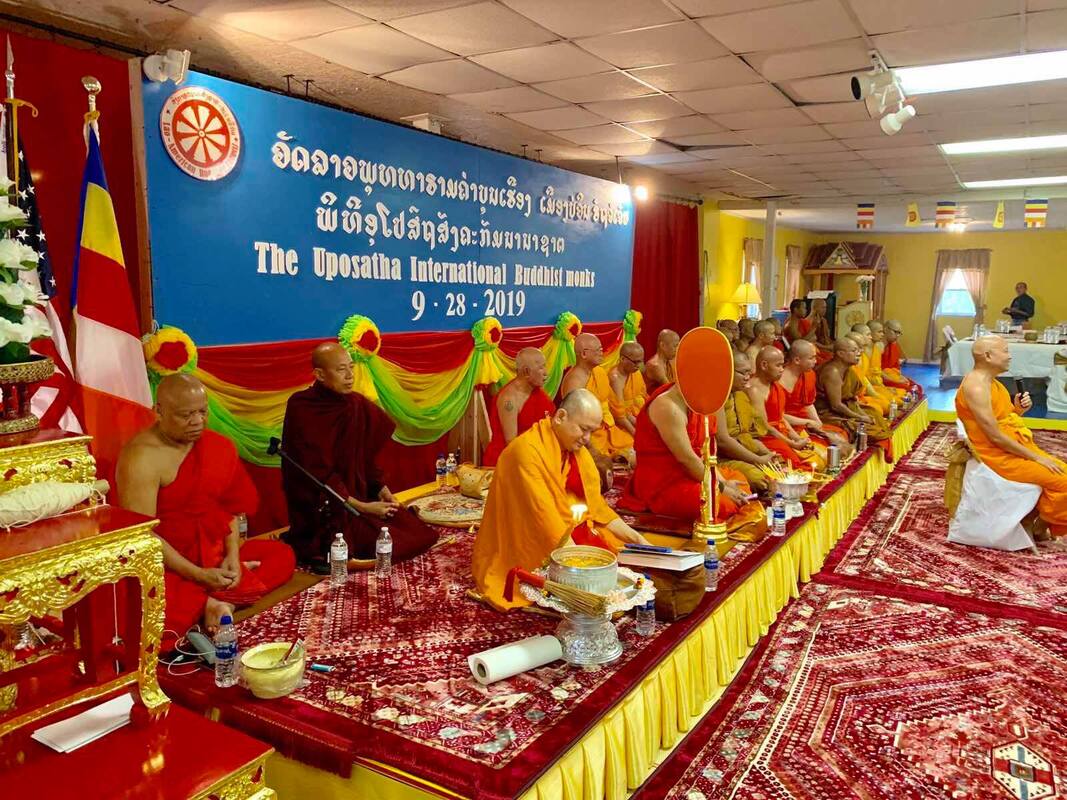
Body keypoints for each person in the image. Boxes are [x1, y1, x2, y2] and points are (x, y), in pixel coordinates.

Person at [117, 374, 295, 641]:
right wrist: (198, 575)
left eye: (202, 411)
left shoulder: (217, 445)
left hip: (214, 552)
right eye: (186, 415)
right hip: (170, 564)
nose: (198, 421)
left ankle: (220, 602)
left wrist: (233, 558)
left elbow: (229, 511)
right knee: (145, 615)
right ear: (159, 411)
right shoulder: (141, 457)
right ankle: (211, 600)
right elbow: (142, 536)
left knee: (282, 556)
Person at [471, 389, 647, 610]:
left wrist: (638, 540)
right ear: (561, 417)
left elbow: (597, 508)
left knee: (625, 563)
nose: (587, 439)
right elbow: (545, 521)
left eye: (592, 431)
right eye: (583, 429)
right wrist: (582, 570)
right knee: (601, 585)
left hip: (566, 529)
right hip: (528, 540)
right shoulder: (527, 453)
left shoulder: (574, 450)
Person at [281, 342, 438, 571]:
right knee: (389, 544)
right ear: (319, 374)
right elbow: (317, 473)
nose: (349, 376)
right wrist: (364, 508)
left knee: (420, 533)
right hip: (323, 505)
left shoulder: (356, 404)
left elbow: (365, 459)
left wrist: (383, 492)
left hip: (356, 496)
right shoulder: (302, 407)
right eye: (341, 370)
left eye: (351, 368)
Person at [619, 381, 766, 536]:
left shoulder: (698, 401)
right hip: (664, 484)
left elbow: (706, 454)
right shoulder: (668, 407)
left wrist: (723, 482)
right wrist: (722, 488)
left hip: (694, 475)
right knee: (716, 504)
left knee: (739, 480)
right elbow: (687, 459)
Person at [957, 335, 1066, 539]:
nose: (1010, 356)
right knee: (1063, 480)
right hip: (997, 456)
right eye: (1005, 351)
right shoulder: (976, 386)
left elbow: (1002, 419)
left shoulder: (990, 382)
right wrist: (1036, 458)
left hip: (1009, 448)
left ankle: (1036, 520)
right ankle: (1039, 525)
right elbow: (995, 436)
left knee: (1061, 471)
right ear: (988, 356)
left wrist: (1017, 410)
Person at [747, 346, 822, 469]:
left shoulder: (775, 386)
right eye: (779, 365)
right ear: (764, 365)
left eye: (783, 365)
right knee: (799, 467)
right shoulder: (754, 390)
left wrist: (797, 438)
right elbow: (765, 427)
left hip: (780, 434)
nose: (782, 370)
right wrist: (792, 444)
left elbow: (780, 417)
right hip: (765, 438)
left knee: (817, 455)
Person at [779, 340, 853, 457]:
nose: (816, 361)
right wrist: (808, 422)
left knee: (840, 435)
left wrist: (817, 422)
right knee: (818, 454)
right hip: (786, 426)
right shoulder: (780, 380)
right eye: (812, 358)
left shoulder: (809, 374)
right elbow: (779, 416)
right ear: (797, 360)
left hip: (806, 423)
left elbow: (808, 403)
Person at [482, 347, 555, 467]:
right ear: (526, 372)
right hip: (509, 464)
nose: (546, 373)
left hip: (537, 457)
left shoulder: (537, 392)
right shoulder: (509, 399)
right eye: (541, 368)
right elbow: (512, 444)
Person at [560, 332, 615, 484]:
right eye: (598, 350)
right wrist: (592, 450)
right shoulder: (575, 380)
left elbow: (608, 405)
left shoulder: (599, 372)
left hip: (606, 430)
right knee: (601, 468)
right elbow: (573, 423)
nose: (601, 352)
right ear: (584, 354)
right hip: (587, 437)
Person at [720, 352, 776, 493]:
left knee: (778, 468)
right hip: (721, 457)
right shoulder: (716, 400)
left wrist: (765, 453)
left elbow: (749, 434)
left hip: (744, 451)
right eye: (743, 373)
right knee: (760, 478)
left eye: (749, 373)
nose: (747, 378)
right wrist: (757, 459)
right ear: (727, 370)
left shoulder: (741, 395)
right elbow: (723, 441)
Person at [815, 337, 890, 443]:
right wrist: (859, 417)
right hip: (828, 413)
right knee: (871, 430)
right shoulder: (832, 372)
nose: (859, 353)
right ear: (840, 354)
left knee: (874, 414)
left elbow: (852, 398)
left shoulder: (848, 370)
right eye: (854, 350)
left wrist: (862, 413)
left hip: (846, 407)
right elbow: (836, 405)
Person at [606, 341, 647, 462]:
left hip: (635, 417)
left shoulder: (636, 373)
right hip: (620, 425)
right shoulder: (615, 378)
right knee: (634, 443)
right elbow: (620, 416)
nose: (639, 366)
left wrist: (644, 424)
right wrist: (638, 434)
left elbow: (642, 398)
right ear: (623, 359)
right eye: (635, 362)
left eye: (641, 361)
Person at [879, 319, 921, 395]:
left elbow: (896, 368)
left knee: (916, 386)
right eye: (895, 332)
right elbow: (876, 370)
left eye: (899, 333)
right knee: (906, 388)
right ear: (885, 329)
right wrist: (895, 380)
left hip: (891, 376)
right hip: (881, 377)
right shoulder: (878, 346)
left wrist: (901, 377)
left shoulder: (894, 345)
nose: (898, 335)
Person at [806, 298, 834, 365]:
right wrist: (827, 347)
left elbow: (827, 337)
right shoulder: (808, 321)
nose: (825, 310)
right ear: (815, 308)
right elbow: (810, 342)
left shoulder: (823, 320)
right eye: (823, 307)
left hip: (825, 347)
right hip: (816, 349)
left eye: (825, 308)